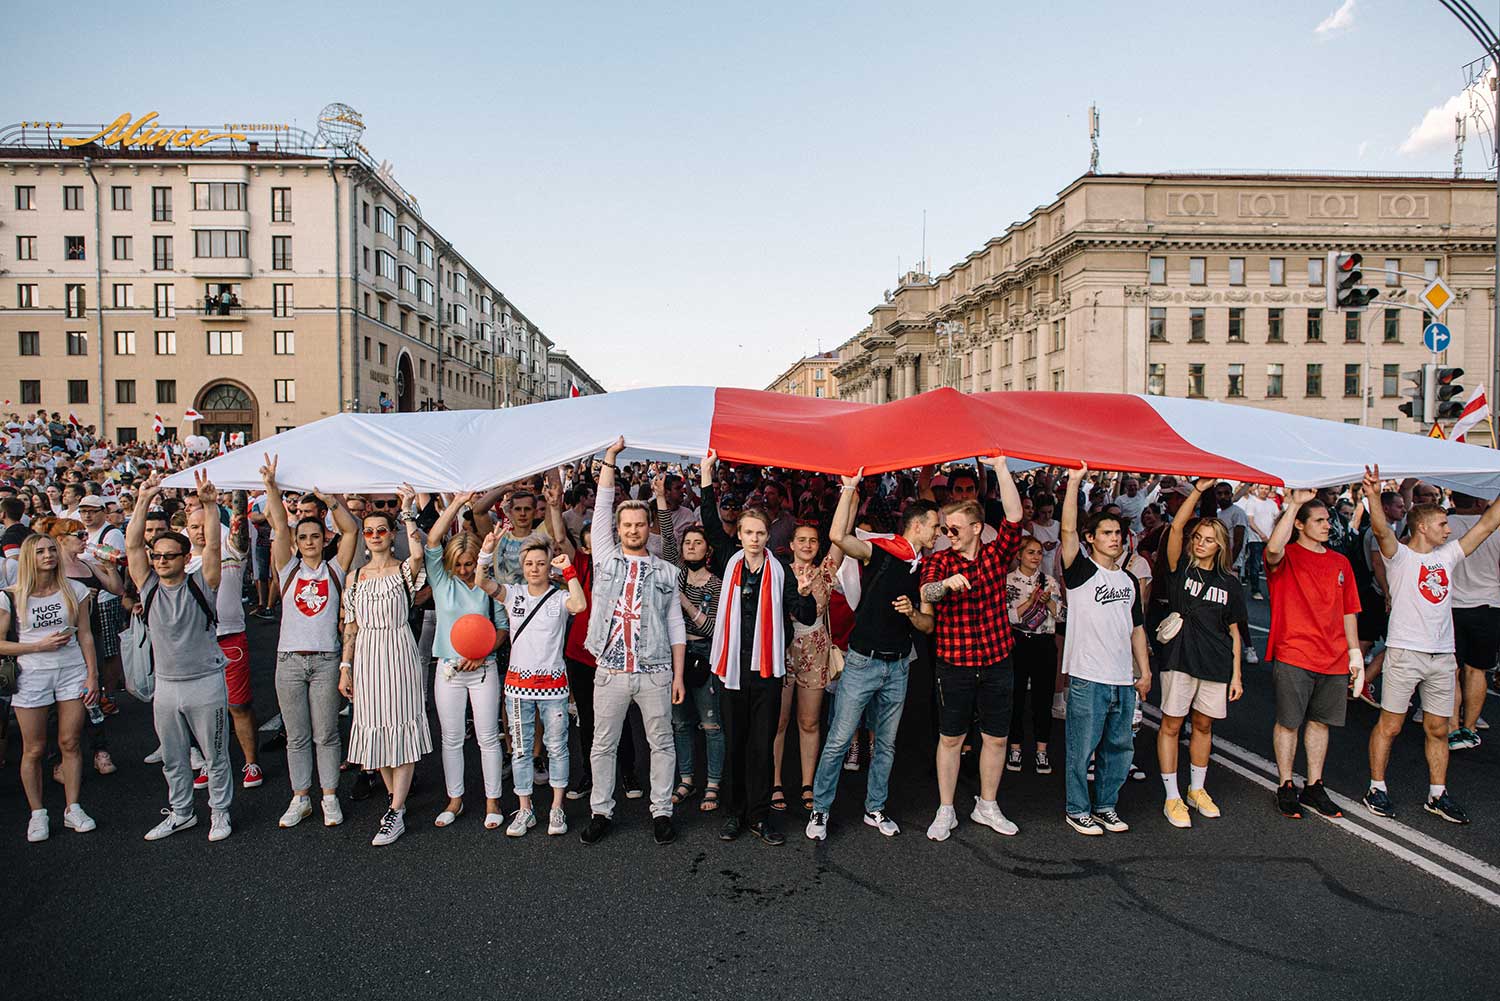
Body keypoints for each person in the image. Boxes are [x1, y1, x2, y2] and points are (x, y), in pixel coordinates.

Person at [1361, 466, 1500, 824]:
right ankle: (1377, 787)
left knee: (1438, 729)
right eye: (1442, 524)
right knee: (1390, 725)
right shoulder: (1401, 557)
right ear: (1422, 526)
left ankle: (1437, 794)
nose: (1449, 529)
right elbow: (1379, 529)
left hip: (1442, 657)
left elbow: (1487, 525)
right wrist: (1374, 496)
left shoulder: (1447, 555)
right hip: (1406, 654)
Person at [806, 474, 937, 841]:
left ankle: (874, 808)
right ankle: (821, 809)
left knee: (886, 744)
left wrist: (913, 613)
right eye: (935, 527)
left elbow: (927, 625)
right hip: (863, 662)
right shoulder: (881, 548)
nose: (938, 534)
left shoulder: (926, 566)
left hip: (898, 666)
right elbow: (837, 538)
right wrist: (849, 488)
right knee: (839, 739)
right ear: (918, 524)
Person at [702, 453, 818, 847]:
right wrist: (706, 476)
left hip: (767, 672)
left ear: (769, 537)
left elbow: (804, 613)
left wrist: (803, 595)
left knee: (762, 748)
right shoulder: (729, 562)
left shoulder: (781, 570)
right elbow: (709, 523)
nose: (753, 538)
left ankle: (760, 816)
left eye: (760, 533)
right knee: (735, 745)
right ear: (740, 536)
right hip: (731, 671)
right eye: (748, 533)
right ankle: (735, 814)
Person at [579, 436, 686, 847]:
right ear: (618, 529)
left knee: (661, 744)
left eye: (640, 524)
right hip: (610, 671)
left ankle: (661, 811)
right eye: (627, 525)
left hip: (656, 670)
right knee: (602, 744)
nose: (633, 530)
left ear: (648, 528)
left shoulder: (664, 571)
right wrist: (609, 459)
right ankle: (601, 810)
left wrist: (677, 675)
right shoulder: (605, 558)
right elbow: (603, 502)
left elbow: (675, 624)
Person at [919, 455, 1025, 841]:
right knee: (951, 738)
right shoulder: (941, 560)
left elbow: (1014, 517)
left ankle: (987, 805)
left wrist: (999, 467)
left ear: (978, 528)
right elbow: (926, 592)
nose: (949, 534)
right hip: (955, 664)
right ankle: (946, 809)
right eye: (946, 529)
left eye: (956, 528)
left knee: (996, 737)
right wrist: (946, 585)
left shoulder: (996, 556)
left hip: (997, 660)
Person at [127, 471, 233, 842]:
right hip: (167, 687)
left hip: (205, 681)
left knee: (215, 754)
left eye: (169, 557)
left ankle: (219, 813)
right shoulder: (149, 587)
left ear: (185, 557)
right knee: (174, 759)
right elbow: (132, 548)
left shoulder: (201, 582)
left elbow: (216, 548)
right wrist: (143, 500)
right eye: (156, 557)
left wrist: (208, 504)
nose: (159, 562)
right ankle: (182, 813)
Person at [260, 456, 358, 831]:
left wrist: (329, 498)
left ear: (323, 539)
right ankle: (301, 797)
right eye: (304, 538)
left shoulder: (334, 569)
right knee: (297, 736)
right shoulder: (287, 570)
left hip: (325, 659)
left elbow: (351, 533)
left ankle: (329, 796)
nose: (309, 543)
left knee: (326, 733)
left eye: (315, 536)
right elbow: (280, 528)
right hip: (289, 660)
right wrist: (272, 488)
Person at [1058, 463, 1152, 836]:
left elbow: (1137, 629)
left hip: (1121, 678)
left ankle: (1106, 805)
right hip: (1087, 676)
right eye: (1107, 533)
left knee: (1119, 749)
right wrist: (1075, 482)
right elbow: (1066, 529)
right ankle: (1077, 809)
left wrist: (1143, 672)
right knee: (1081, 750)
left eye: (1118, 533)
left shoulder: (1129, 578)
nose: (1115, 538)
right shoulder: (1080, 571)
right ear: (1091, 539)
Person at [1156, 478, 1248, 829]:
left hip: (1216, 662)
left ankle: (1197, 789)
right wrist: (1197, 491)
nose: (1201, 543)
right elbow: (1177, 525)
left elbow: (1235, 630)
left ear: (1221, 545)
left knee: (1204, 725)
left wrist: (1237, 674)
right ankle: (1172, 796)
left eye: (1210, 539)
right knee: (1172, 724)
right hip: (1180, 657)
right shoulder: (1182, 569)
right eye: (1199, 538)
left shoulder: (1229, 583)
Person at [340, 493, 432, 845]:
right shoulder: (355, 578)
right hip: (366, 655)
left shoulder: (404, 570)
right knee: (375, 728)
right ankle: (398, 803)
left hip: (398, 650)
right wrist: (345, 667)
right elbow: (351, 625)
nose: (376, 536)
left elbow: (419, 552)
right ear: (364, 536)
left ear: (391, 534)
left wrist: (407, 512)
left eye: (382, 530)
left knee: (402, 726)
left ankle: (394, 809)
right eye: (370, 531)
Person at [1264, 489, 1361, 820]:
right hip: (1295, 652)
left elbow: (1349, 610)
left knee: (1321, 722)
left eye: (1328, 520)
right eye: (1319, 520)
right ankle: (1286, 784)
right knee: (1289, 722)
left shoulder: (1340, 562)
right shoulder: (1287, 555)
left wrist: (1355, 654)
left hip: (1333, 656)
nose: (1327, 525)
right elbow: (1273, 549)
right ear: (1301, 525)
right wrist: (1293, 504)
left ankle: (1315, 785)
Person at [2, 533, 100, 841]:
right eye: (41, 551)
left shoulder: (76, 590)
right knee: (34, 748)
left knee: (70, 743)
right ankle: (37, 813)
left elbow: (85, 634)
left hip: (71, 671)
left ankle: (73, 807)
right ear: (29, 557)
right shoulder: (11, 595)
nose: (48, 556)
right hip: (31, 675)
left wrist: (93, 675)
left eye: (52, 550)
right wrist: (38, 647)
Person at [428, 490, 509, 832]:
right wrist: (457, 505)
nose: (463, 570)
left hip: (483, 669)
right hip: (447, 669)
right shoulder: (441, 580)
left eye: (468, 563)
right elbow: (432, 538)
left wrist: (483, 651)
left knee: (488, 737)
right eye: (457, 564)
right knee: (451, 737)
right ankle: (455, 800)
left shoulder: (488, 584)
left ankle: (493, 802)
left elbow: (503, 628)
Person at [498, 540, 587, 837]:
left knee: (557, 748)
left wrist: (570, 571)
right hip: (518, 686)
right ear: (522, 568)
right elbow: (483, 583)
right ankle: (525, 809)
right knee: (521, 750)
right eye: (529, 564)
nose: (535, 568)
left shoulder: (559, 597)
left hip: (553, 686)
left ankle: (556, 808)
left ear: (549, 566)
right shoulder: (514, 593)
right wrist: (487, 551)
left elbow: (580, 604)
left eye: (540, 563)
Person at [186, 490, 260, 790]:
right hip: (195, 642)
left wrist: (234, 488)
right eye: (194, 527)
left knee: (238, 705)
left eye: (206, 524)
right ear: (186, 529)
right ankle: (210, 761)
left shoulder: (232, 547)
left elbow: (240, 520)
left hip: (230, 637)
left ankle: (250, 762)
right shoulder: (180, 559)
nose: (201, 531)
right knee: (202, 708)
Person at [656, 511, 726, 815]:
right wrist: (660, 499)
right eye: (689, 543)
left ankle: (713, 782)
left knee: (711, 724)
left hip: (704, 655)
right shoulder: (676, 573)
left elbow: (712, 629)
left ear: (707, 550)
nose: (692, 547)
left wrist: (684, 602)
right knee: (680, 722)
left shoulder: (717, 584)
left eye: (698, 543)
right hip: (674, 654)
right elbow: (667, 538)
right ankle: (686, 780)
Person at [772, 520, 841, 812]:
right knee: (779, 722)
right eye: (801, 540)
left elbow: (839, 535)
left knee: (809, 722)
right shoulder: (779, 573)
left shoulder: (825, 572)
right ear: (791, 544)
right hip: (783, 650)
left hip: (816, 650)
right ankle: (775, 782)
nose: (807, 545)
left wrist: (849, 489)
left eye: (813, 540)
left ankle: (807, 783)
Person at [1005, 536, 1063, 775]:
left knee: (1043, 698)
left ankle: (1042, 749)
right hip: (1018, 642)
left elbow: (1061, 615)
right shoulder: (1008, 582)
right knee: (1015, 697)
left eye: (1039, 552)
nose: (1036, 557)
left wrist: (1048, 603)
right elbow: (1007, 616)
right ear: (1019, 554)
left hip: (1044, 643)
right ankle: (1015, 747)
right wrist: (1030, 601)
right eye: (1030, 552)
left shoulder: (1049, 582)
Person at [1447, 491, 1500, 750]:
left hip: (1450, 606)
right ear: (1480, 501)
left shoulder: (1443, 526)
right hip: (1488, 604)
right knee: (1476, 669)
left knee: (1451, 670)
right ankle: (1468, 728)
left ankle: (1452, 728)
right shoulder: (1496, 529)